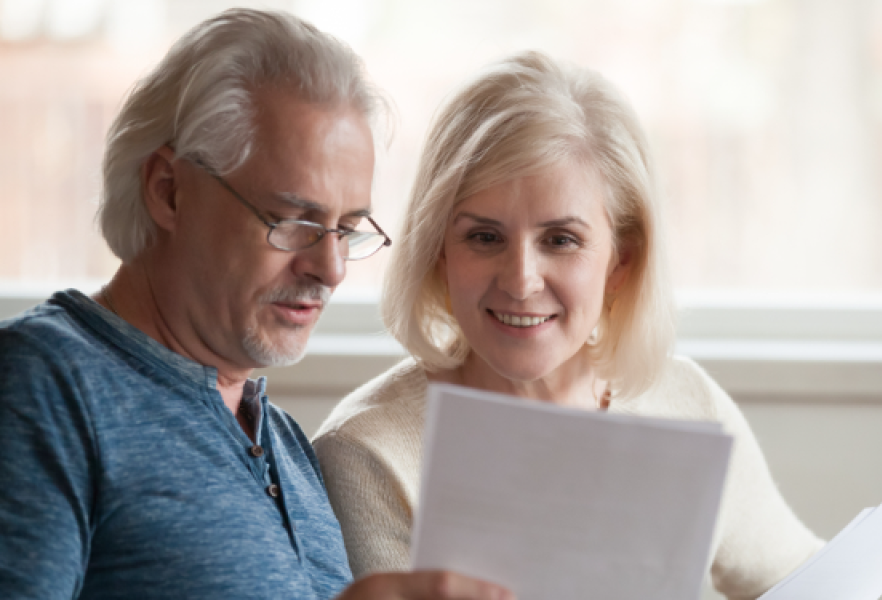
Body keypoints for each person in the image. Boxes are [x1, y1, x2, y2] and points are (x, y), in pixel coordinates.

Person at [0, 9, 510, 600]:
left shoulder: (286, 443)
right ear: (169, 191)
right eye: (294, 221)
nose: (331, 268)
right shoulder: (41, 385)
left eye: (347, 229)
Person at [313, 50, 824, 600]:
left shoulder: (687, 402)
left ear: (621, 261)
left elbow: (807, 580)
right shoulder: (369, 453)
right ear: (439, 251)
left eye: (561, 240)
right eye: (484, 237)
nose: (521, 280)